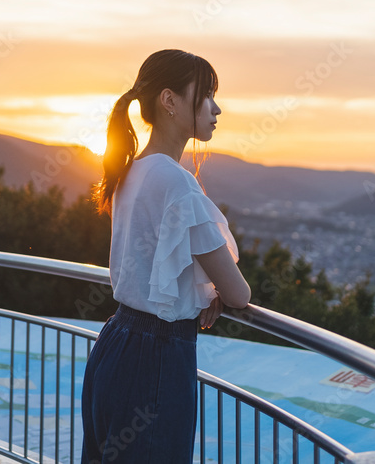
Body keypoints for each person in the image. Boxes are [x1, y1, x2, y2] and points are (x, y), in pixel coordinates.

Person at [81, 49, 252, 463]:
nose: (217, 109)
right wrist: (215, 290)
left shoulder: (130, 171)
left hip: (115, 344)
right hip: (157, 359)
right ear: (170, 100)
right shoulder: (177, 184)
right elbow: (239, 293)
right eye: (206, 95)